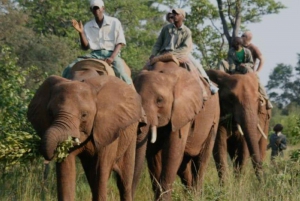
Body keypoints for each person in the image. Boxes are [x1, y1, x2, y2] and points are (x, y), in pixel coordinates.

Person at [62, 0, 132, 85]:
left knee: (121, 73)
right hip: (94, 54)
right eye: (93, 9)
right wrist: (81, 33)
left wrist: (112, 58)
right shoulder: (88, 25)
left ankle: (131, 92)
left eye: (97, 8)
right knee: (69, 68)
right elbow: (85, 47)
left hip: (111, 54)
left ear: (103, 8)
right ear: (91, 10)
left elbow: (120, 43)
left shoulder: (114, 22)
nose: (96, 10)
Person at [149, 8, 218, 94]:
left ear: (182, 17)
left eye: (177, 14)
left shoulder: (187, 31)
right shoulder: (166, 28)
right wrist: (153, 54)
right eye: (173, 15)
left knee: (195, 65)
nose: (174, 16)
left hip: (180, 54)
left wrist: (172, 54)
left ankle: (207, 85)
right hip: (164, 53)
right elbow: (158, 43)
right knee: (147, 66)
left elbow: (185, 48)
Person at [242, 31, 273, 109]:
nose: (241, 37)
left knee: (257, 81)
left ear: (246, 38)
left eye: (242, 35)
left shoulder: (253, 48)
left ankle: (266, 99)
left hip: (248, 70)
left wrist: (257, 72)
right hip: (238, 69)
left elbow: (262, 59)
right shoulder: (239, 46)